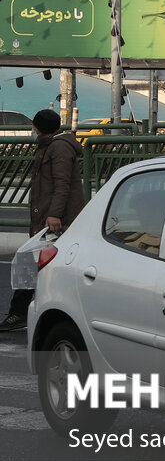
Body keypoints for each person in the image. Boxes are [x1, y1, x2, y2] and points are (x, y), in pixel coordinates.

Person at [1, 110, 85, 331]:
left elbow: (62, 183)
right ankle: (25, 312)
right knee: (38, 265)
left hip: (56, 220)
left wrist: (55, 214)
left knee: (32, 262)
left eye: (35, 126)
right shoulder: (51, 145)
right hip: (48, 217)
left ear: (40, 128)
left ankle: (20, 313)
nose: (33, 130)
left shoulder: (59, 148)